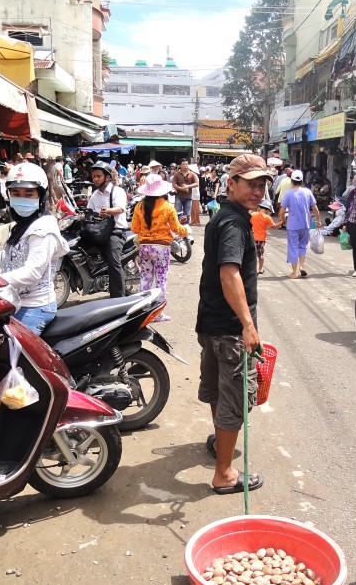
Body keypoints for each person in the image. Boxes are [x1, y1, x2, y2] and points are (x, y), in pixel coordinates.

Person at [196, 153, 270, 495]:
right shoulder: (235, 224)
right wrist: (248, 324)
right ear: (231, 183)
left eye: (261, 185)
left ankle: (218, 442)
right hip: (228, 328)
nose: (256, 191)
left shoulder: (224, 217)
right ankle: (224, 473)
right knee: (237, 397)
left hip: (211, 322)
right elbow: (229, 273)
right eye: (250, 184)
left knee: (219, 389)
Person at [0, 162, 67, 334]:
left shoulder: (43, 229)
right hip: (14, 301)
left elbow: (33, 272)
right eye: (16, 193)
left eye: (29, 194)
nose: (22, 198)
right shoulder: (22, 225)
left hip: (34, 308)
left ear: (40, 197)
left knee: (12, 358)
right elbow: (9, 256)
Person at [130, 172, 188, 321]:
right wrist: (186, 230)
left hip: (144, 247)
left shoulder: (139, 206)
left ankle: (142, 313)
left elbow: (135, 229)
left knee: (145, 279)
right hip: (161, 248)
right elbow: (176, 228)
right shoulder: (168, 207)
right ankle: (157, 314)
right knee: (161, 280)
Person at [86, 161, 129, 298]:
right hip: (100, 231)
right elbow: (89, 210)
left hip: (116, 232)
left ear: (107, 177)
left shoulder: (118, 191)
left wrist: (107, 211)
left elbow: (120, 209)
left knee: (114, 261)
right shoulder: (94, 195)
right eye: (93, 176)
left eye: (98, 176)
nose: (95, 179)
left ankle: (118, 298)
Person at [278, 169, 321, 278]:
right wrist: (318, 220)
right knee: (302, 246)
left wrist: (281, 219)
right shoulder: (307, 192)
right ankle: (302, 266)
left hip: (293, 225)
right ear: (302, 181)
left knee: (293, 247)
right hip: (305, 224)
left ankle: (294, 272)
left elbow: (282, 211)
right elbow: (315, 208)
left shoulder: (288, 194)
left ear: (291, 181)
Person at [250, 198, 279, 274]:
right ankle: (260, 269)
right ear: (267, 210)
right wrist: (281, 222)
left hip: (252, 238)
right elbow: (274, 226)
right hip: (261, 239)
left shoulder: (253, 214)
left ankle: (251, 269)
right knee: (260, 255)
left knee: (251, 254)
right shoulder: (267, 217)